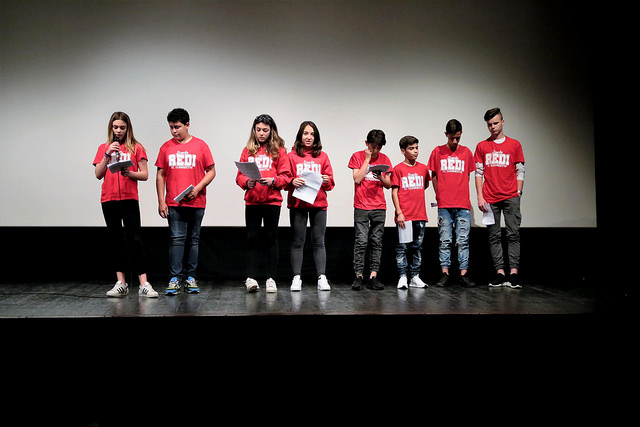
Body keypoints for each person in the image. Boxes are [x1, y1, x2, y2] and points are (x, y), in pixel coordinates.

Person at [94, 112, 158, 298]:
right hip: (109, 198)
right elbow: (98, 174)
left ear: (128, 128)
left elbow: (145, 174)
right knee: (116, 240)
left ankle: (143, 283)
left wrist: (130, 173)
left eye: (122, 127)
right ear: (111, 128)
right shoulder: (103, 148)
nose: (119, 131)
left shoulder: (137, 147)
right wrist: (107, 156)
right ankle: (121, 282)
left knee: (135, 239)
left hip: (129, 198)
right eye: (116, 127)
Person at [155, 108, 216, 295]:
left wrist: (197, 189)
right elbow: (160, 174)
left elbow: (212, 171)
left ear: (187, 125)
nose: (174, 131)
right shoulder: (166, 147)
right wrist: (161, 200)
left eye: (178, 127)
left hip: (196, 202)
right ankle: (175, 279)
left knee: (193, 240)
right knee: (176, 240)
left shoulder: (201, 146)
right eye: (171, 128)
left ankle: (190, 277)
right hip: (174, 203)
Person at [236, 114, 292, 293]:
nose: (261, 133)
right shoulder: (248, 150)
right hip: (252, 201)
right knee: (252, 238)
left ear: (271, 131)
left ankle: (271, 278)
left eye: (265, 130)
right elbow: (239, 175)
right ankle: (251, 278)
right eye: (258, 130)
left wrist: (274, 181)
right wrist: (246, 182)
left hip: (272, 201)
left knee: (271, 239)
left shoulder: (280, 151)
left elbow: (286, 176)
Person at [475, 108, 525, 288]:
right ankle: (500, 273)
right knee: (494, 236)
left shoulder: (514, 145)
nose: (492, 127)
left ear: (502, 122)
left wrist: (518, 192)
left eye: (495, 123)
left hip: (511, 195)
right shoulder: (482, 146)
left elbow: (520, 170)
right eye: (489, 124)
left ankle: (513, 273)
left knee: (513, 234)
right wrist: (480, 196)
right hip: (490, 197)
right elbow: (478, 173)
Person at [286, 121, 335, 291]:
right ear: (300, 135)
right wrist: (293, 181)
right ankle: (296, 277)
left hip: (319, 203)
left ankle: (322, 277)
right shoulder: (291, 156)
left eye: (312, 134)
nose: (308, 137)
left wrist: (327, 180)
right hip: (298, 203)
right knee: (298, 241)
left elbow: (330, 183)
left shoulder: (323, 156)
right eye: (305, 133)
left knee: (319, 242)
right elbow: (285, 180)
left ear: (316, 137)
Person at [428, 119, 476, 287]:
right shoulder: (437, 151)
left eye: (457, 138)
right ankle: (445, 273)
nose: (455, 141)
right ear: (446, 135)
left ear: (461, 134)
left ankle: (464, 273)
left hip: (462, 204)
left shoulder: (467, 152)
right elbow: (433, 175)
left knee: (463, 240)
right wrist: (439, 194)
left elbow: (468, 176)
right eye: (452, 138)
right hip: (445, 204)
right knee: (445, 240)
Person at [348, 129, 393, 290]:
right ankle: (358, 275)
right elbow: (357, 178)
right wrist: (367, 159)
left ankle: (373, 275)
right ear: (366, 144)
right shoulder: (357, 156)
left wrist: (381, 176)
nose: (375, 150)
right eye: (373, 146)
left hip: (379, 206)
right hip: (361, 205)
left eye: (379, 148)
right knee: (361, 241)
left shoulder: (385, 159)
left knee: (376, 242)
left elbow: (388, 185)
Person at [390, 135, 430, 290]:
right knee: (402, 248)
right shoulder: (398, 169)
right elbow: (394, 192)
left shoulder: (423, 168)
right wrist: (399, 212)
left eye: (417, 148)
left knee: (417, 248)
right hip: (405, 216)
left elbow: (425, 184)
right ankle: (402, 276)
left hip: (420, 215)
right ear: (403, 151)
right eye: (411, 148)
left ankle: (415, 276)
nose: (415, 151)